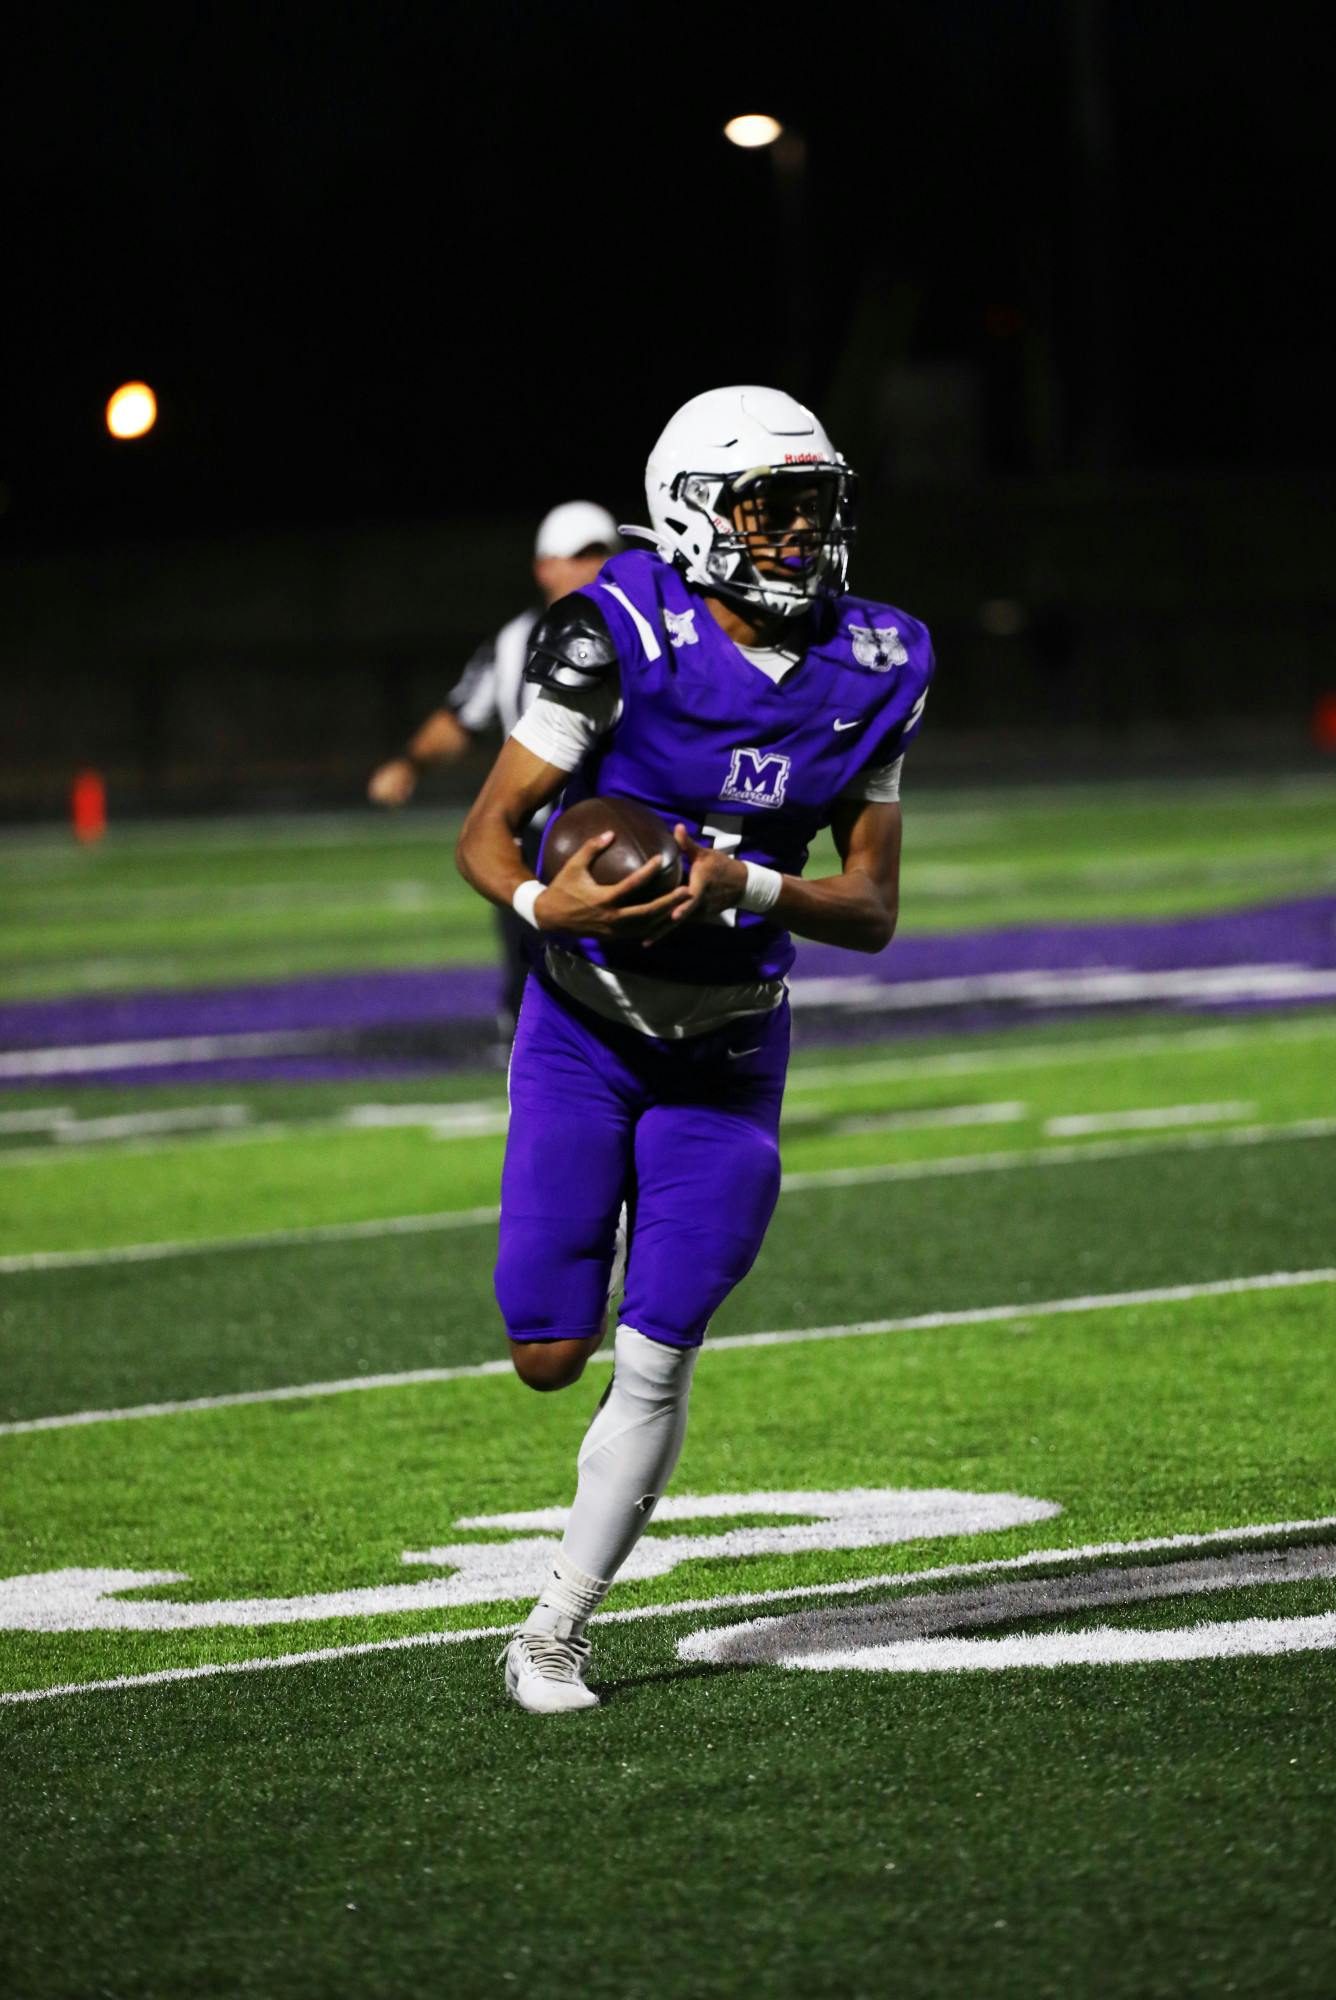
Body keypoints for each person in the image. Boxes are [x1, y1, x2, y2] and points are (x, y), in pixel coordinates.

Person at [455, 386, 933, 1712]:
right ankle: (577, 1247)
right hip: (584, 1030)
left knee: (661, 1347)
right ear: (691, 513)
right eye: (769, 509)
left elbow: (871, 910)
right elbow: (485, 833)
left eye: (813, 507)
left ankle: (554, 1628)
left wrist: (748, 885)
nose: (799, 535)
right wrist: (548, 901)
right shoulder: (614, 628)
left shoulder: (880, 658)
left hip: (728, 1053)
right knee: (548, 1351)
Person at [369, 500, 621, 1026]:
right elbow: (463, 714)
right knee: (533, 978)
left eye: (602, 554)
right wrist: (410, 763)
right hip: (538, 832)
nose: (592, 567)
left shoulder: (646, 634)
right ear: (544, 568)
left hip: (626, 827)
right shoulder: (512, 643)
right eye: (579, 555)